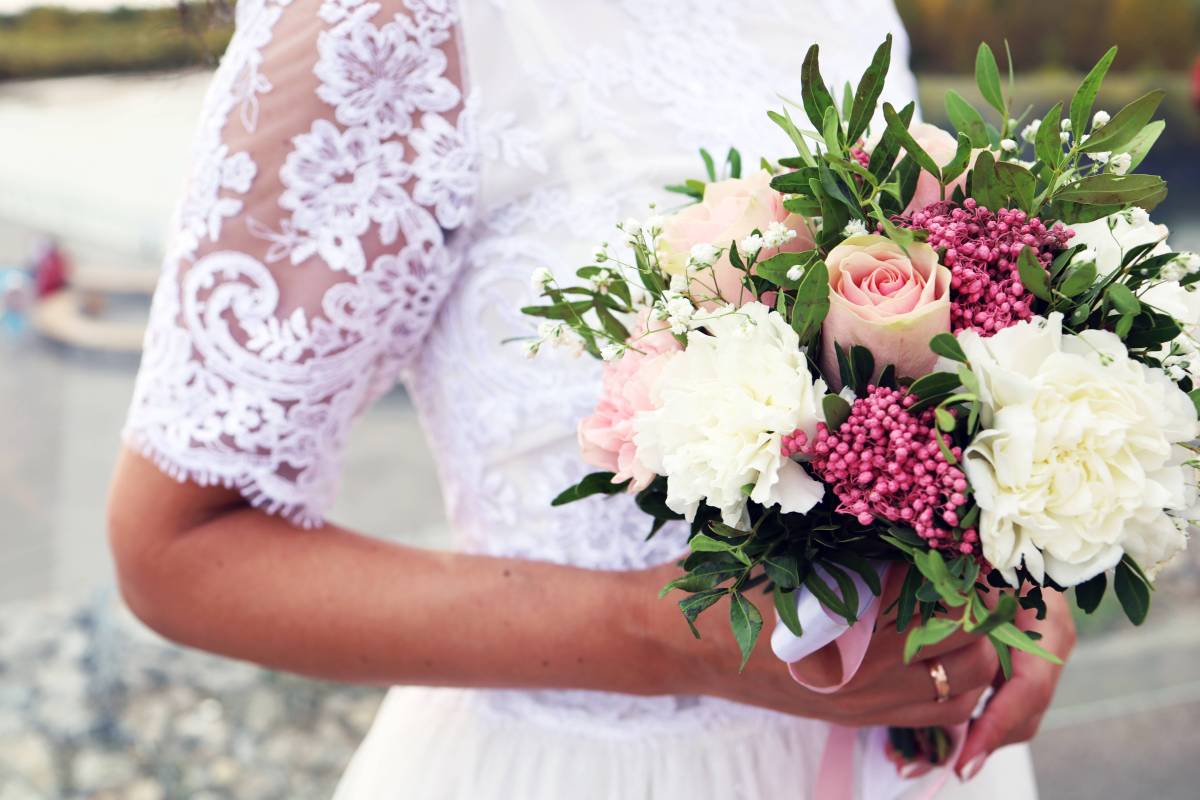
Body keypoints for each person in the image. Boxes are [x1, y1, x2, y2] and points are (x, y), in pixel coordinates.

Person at [106, 1, 1074, 796]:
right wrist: (667, 637)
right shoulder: (385, 22)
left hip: (921, 761)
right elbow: (179, 545)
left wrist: (1013, 580)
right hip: (596, 765)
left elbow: (939, 368)